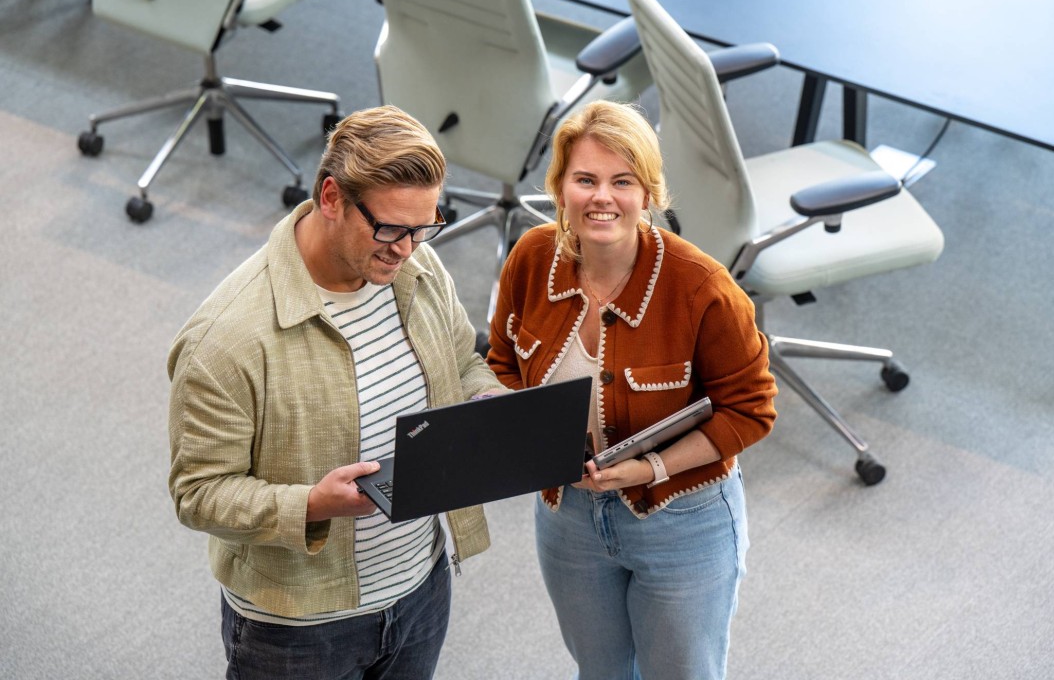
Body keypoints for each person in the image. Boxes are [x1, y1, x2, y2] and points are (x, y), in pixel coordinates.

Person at [168, 105, 505, 680]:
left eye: (425, 227)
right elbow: (198, 494)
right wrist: (313, 505)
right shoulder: (225, 340)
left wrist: (485, 402)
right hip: (297, 630)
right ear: (331, 198)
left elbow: (462, 362)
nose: (406, 248)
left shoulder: (418, 267)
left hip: (419, 588)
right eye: (391, 228)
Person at [486, 100, 778, 680]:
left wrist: (649, 470)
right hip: (566, 511)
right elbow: (501, 364)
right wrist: (520, 438)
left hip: (681, 517)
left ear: (648, 194)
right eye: (585, 179)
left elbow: (751, 411)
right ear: (560, 188)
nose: (602, 197)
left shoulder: (702, 289)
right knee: (601, 672)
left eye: (623, 182)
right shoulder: (530, 258)